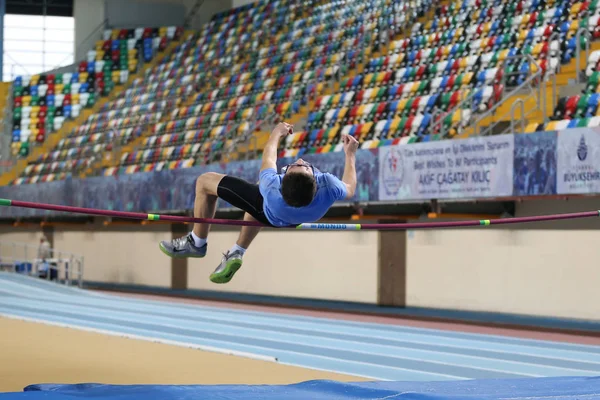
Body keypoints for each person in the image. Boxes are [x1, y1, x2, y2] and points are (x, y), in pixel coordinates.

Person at [159, 122, 359, 284]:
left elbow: (269, 157)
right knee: (256, 202)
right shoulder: (330, 185)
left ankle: (197, 242)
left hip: (270, 210)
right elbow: (350, 187)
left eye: (297, 166)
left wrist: (276, 133)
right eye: (303, 165)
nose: (300, 160)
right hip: (291, 217)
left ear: (281, 181)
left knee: (204, 182)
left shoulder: (271, 186)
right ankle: (237, 252)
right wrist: (350, 155)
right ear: (316, 180)